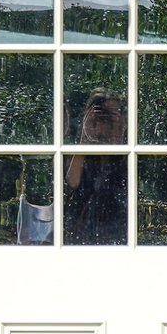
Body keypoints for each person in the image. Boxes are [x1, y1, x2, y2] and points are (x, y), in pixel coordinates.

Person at [62, 89, 127, 244]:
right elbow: (72, 182)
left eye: (113, 115)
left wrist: (118, 134)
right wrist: (87, 136)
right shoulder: (76, 151)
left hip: (117, 228)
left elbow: (125, 183)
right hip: (82, 230)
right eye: (102, 113)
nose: (107, 120)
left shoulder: (128, 151)